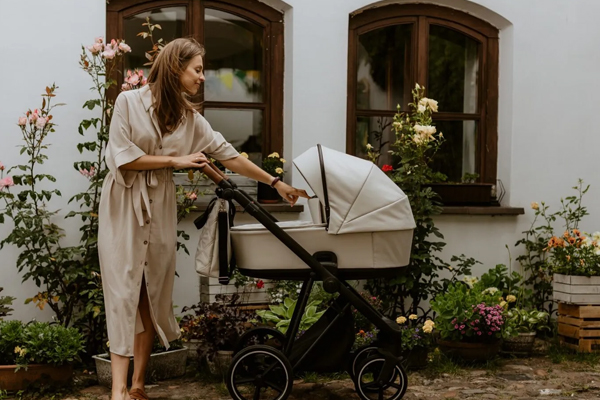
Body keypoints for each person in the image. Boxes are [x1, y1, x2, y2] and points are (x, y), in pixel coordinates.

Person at [98, 37, 309, 400]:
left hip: (159, 207)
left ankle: (137, 385)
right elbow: (122, 157)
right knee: (123, 293)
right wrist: (175, 161)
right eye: (197, 70)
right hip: (124, 204)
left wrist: (275, 182)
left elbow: (228, 156)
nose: (202, 78)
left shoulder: (190, 119)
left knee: (152, 293)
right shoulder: (128, 103)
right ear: (177, 69)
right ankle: (118, 389)